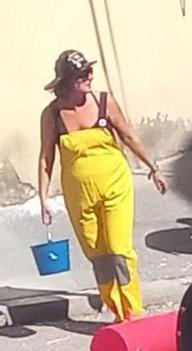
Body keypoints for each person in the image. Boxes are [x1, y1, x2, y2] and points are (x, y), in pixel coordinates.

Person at [37, 50, 167, 322]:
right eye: (82, 74)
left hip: (115, 186)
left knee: (120, 249)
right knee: (98, 255)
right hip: (79, 195)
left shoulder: (104, 102)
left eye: (89, 71)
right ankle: (117, 313)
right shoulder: (52, 115)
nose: (89, 76)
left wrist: (153, 168)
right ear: (67, 80)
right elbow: (46, 157)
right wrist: (44, 198)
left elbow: (129, 136)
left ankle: (133, 313)